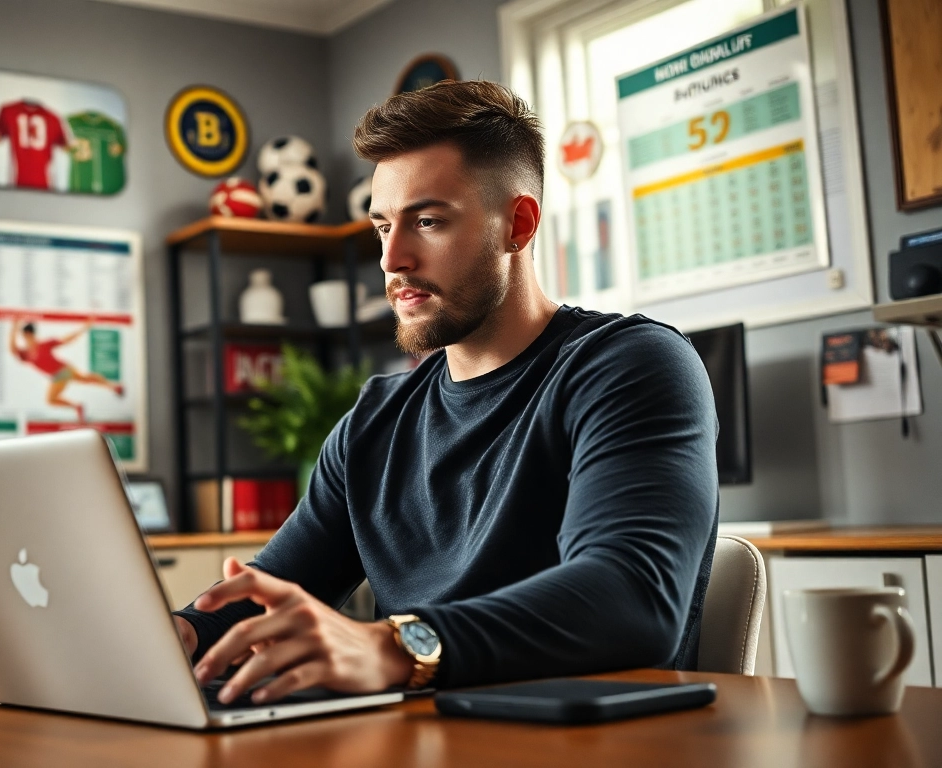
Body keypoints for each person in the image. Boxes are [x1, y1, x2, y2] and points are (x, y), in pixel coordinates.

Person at [172, 80, 719, 706]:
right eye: (383, 227)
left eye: (427, 222)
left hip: (587, 741)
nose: (392, 259)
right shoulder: (373, 424)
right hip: (418, 737)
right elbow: (269, 590)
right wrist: (180, 633)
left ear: (518, 225)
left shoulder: (630, 366)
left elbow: (632, 600)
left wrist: (393, 648)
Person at [9, 318, 123, 422]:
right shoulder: (25, 354)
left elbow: (66, 340)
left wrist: (83, 328)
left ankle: (80, 405)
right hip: (58, 374)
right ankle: (112, 387)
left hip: (62, 371)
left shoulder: (44, 345)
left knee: (53, 398)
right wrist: (14, 326)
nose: (26, 339)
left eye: (26, 336)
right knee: (84, 379)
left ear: (29, 334)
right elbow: (13, 349)